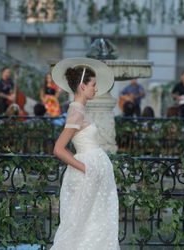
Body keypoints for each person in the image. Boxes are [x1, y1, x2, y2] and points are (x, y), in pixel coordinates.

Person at [50, 57, 120, 250]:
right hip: (86, 174)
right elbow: (58, 148)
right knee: (80, 227)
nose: (95, 89)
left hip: (93, 173)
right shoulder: (76, 112)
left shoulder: (79, 109)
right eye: (93, 85)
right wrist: (86, 168)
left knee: (92, 226)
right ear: (82, 86)